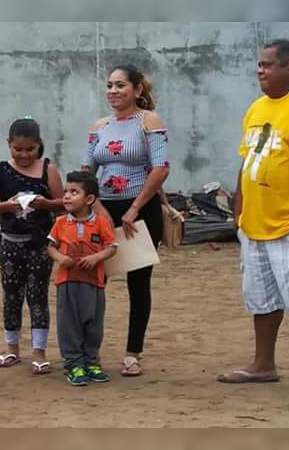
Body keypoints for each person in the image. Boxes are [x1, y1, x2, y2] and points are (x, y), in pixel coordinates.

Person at [217, 39, 289, 400]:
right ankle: (263, 364)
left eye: (267, 65)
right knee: (261, 299)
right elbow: (247, 158)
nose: (260, 70)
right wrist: (238, 206)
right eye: (260, 65)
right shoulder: (256, 108)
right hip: (254, 222)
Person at [81, 64, 169, 377]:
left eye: (121, 85)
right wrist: (98, 206)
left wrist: (135, 207)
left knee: (138, 281)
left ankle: (133, 352)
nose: (113, 91)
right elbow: (86, 171)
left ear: (137, 90)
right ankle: (88, 350)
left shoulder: (149, 122)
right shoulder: (100, 125)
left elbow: (160, 168)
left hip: (140, 211)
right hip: (102, 208)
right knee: (93, 278)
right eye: (110, 85)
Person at [0, 117, 63, 375]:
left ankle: (39, 352)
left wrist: (45, 204)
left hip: (39, 243)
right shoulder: (1, 170)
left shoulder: (48, 170)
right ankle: (12, 348)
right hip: (10, 243)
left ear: (39, 145)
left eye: (30, 149)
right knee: (11, 295)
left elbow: (63, 202)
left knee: (38, 295)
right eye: (18, 150)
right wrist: (9, 205)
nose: (24, 155)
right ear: (9, 145)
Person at [47, 171, 117, 386]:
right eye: (66, 192)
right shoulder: (60, 223)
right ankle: (74, 364)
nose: (67, 196)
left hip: (94, 282)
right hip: (67, 282)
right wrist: (61, 258)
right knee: (69, 323)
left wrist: (96, 257)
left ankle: (91, 361)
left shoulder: (101, 222)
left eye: (74, 192)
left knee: (93, 323)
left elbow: (112, 247)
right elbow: (50, 247)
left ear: (89, 199)